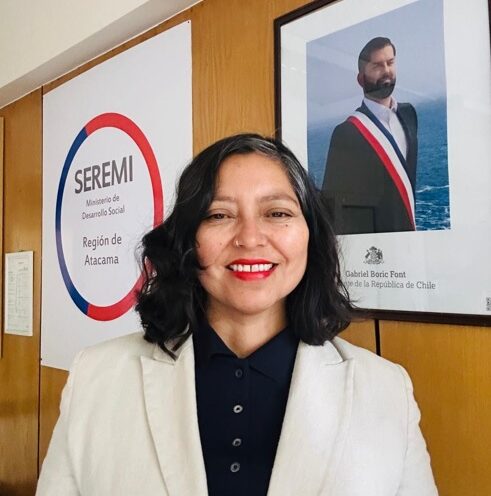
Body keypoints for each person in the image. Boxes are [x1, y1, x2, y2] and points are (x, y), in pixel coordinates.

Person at [37, 134, 437, 495]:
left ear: (311, 234)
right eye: (218, 215)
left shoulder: (386, 391)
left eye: (277, 213)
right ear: (187, 239)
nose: (249, 238)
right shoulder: (96, 377)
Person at [321, 37, 418, 235]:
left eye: (390, 62)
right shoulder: (346, 133)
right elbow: (333, 207)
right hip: (375, 244)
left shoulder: (409, 114)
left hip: (409, 239)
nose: (386, 70)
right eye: (377, 66)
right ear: (361, 79)